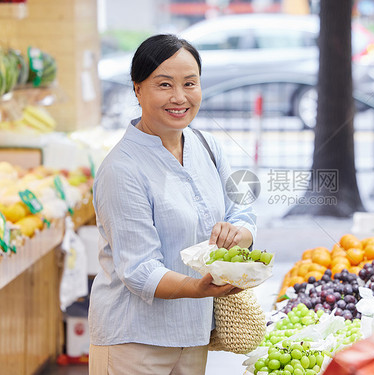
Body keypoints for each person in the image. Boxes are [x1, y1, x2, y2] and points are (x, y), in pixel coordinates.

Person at [88, 34, 257, 375]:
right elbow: (139, 270)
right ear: (137, 89)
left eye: (189, 83)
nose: (179, 97)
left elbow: (243, 211)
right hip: (134, 342)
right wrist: (198, 288)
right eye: (164, 84)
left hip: (193, 335)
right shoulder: (122, 169)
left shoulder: (207, 146)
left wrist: (238, 235)